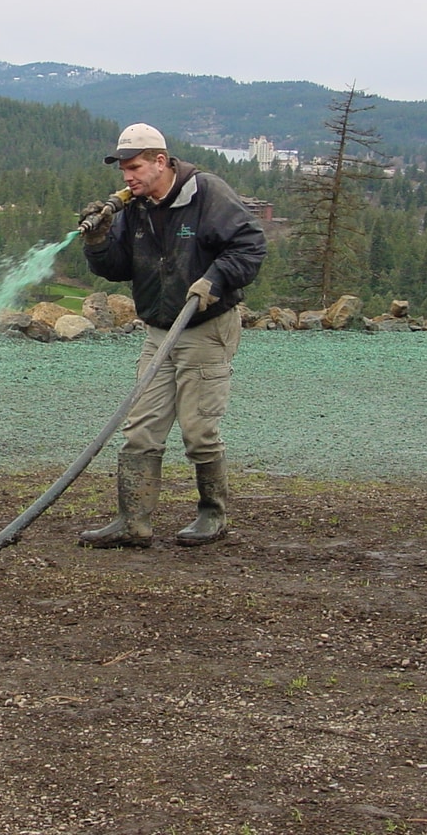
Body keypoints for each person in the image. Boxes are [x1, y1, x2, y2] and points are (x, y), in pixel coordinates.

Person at [78, 123, 266, 548]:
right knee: (141, 428)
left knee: (198, 430)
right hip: (159, 329)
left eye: (135, 167)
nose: (127, 178)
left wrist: (214, 279)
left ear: (161, 161)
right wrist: (99, 241)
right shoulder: (135, 208)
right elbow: (117, 269)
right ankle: (133, 522)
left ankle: (212, 515)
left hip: (205, 326)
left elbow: (250, 247)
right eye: (123, 170)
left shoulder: (207, 194)